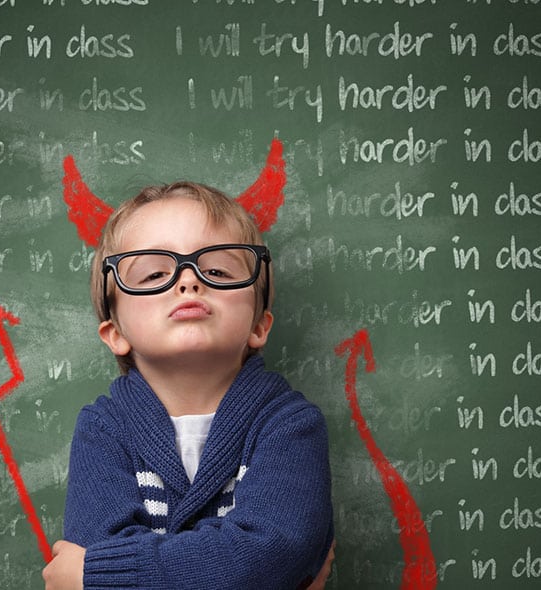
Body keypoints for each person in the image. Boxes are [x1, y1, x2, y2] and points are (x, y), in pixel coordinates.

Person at [43, 181, 335, 589]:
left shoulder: (291, 425)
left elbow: (267, 555)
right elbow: (253, 570)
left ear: (258, 325)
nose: (188, 281)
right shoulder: (102, 430)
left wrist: (101, 575)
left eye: (216, 270)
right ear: (115, 333)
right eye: (153, 274)